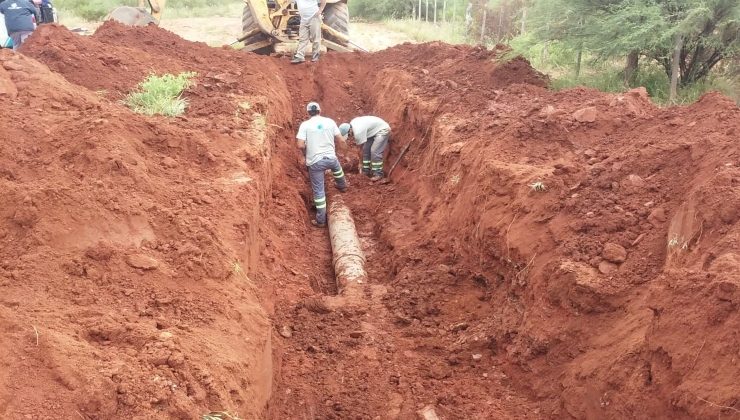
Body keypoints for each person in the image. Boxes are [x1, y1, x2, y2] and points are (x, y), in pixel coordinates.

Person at [297, 102, 348, 227]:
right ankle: (342, 186)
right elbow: (341, 139)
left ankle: (321, 220)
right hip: (331, 158)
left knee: (319, 192)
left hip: (315, 162)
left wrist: (306, 152)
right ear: (320, 110)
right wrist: (344, 152)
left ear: (308, 113)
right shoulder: (330, 122)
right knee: (337, 169)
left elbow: (300, 144)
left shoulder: (305, 125)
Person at [339, 116, 391, 181]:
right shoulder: (352, 124)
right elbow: (363, 150)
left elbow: (360, 150)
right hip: (372, 132)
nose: (350, 137)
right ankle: (366, 171)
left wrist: (360, 163)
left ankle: (378, 174)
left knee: (374, 151)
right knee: (366, 150)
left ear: (350, 130)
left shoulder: (358, 132)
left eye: (349, 135)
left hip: (382, 129)